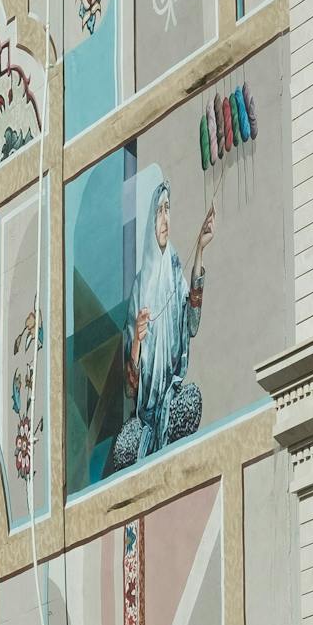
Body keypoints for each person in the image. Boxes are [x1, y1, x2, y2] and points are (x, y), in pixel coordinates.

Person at [110, 166, 212, 473]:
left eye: (168, 210)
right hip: (146, 416)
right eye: (159, 211)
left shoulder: (175, 271)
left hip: (172, 397)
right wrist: (137, 342)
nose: (166, 219)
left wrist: (201, 253)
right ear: (150, 222)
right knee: (124, 449)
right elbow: (131, 386)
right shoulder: (140, 290)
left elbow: (191, 323)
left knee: (191, 401)